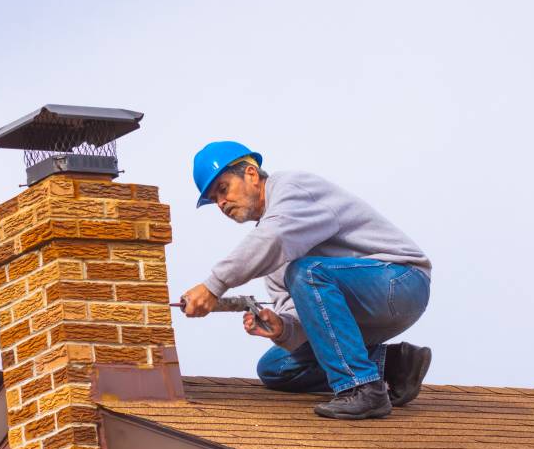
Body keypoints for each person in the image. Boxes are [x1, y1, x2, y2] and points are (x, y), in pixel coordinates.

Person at [181, 141, 433, 419]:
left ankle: (362, 389)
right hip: (363, 309)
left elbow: (274, 238)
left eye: (223, 189)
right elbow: (303, 316)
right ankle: (395, 365)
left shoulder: (292, 188)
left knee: (307, 272)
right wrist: (283, 329)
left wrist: (213, 286)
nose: (221, 203)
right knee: (277, 367)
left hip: (402, 282)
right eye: (215, 200)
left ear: (251, 174)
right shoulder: (273, 249)